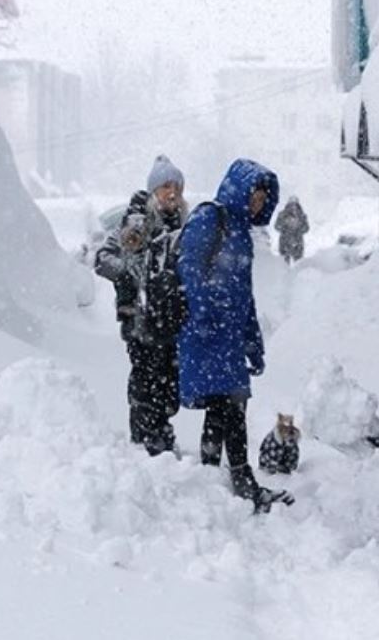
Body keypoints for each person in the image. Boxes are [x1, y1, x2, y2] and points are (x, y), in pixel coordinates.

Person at [176, 158, 294, 512]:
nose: (257, 203)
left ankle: (214, 478)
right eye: (253, 195)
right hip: (207, 334)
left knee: (226, 407)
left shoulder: (241, 233)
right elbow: (189, 271)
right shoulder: (210, 218)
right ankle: (241, 482)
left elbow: (244, 295)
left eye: (262, 198)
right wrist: (204, 316)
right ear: (239, 190)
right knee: (230, 406)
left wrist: (253, 342)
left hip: (227, 337)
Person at [94, 155, 189, 457]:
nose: (172, 193)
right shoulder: (137, 221)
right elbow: (103, 259)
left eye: (177, 187)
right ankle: (145, 438)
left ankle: (161, 432)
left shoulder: (184, 224)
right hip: (140, 319)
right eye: (165, 187)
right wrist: (131, 276)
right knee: (146, 379)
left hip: (171, 319)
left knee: (170, 382)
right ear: (153, 191)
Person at [273, 196, 310, 264]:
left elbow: (276, 227)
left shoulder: (283, 214)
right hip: (295, 241)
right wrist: (298, 229)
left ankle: (284, 271)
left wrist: (285, 228)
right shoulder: (301, 215)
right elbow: (306, 228)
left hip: (287, 241)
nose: (293, 207)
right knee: (297, 263)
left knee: (285, 263)